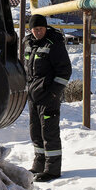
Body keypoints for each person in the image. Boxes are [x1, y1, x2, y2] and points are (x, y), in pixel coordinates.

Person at [23, 13, 72, 181]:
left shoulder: (54, 44)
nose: (38, 32)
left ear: (45, 28)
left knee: (49, 132)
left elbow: (64, 71)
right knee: (35, 131)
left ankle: (52, 170)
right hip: (33, 96)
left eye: (41, 29)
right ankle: (39, 164)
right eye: (35, 29)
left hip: (48, 97)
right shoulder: (27, 43)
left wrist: (53, 93)